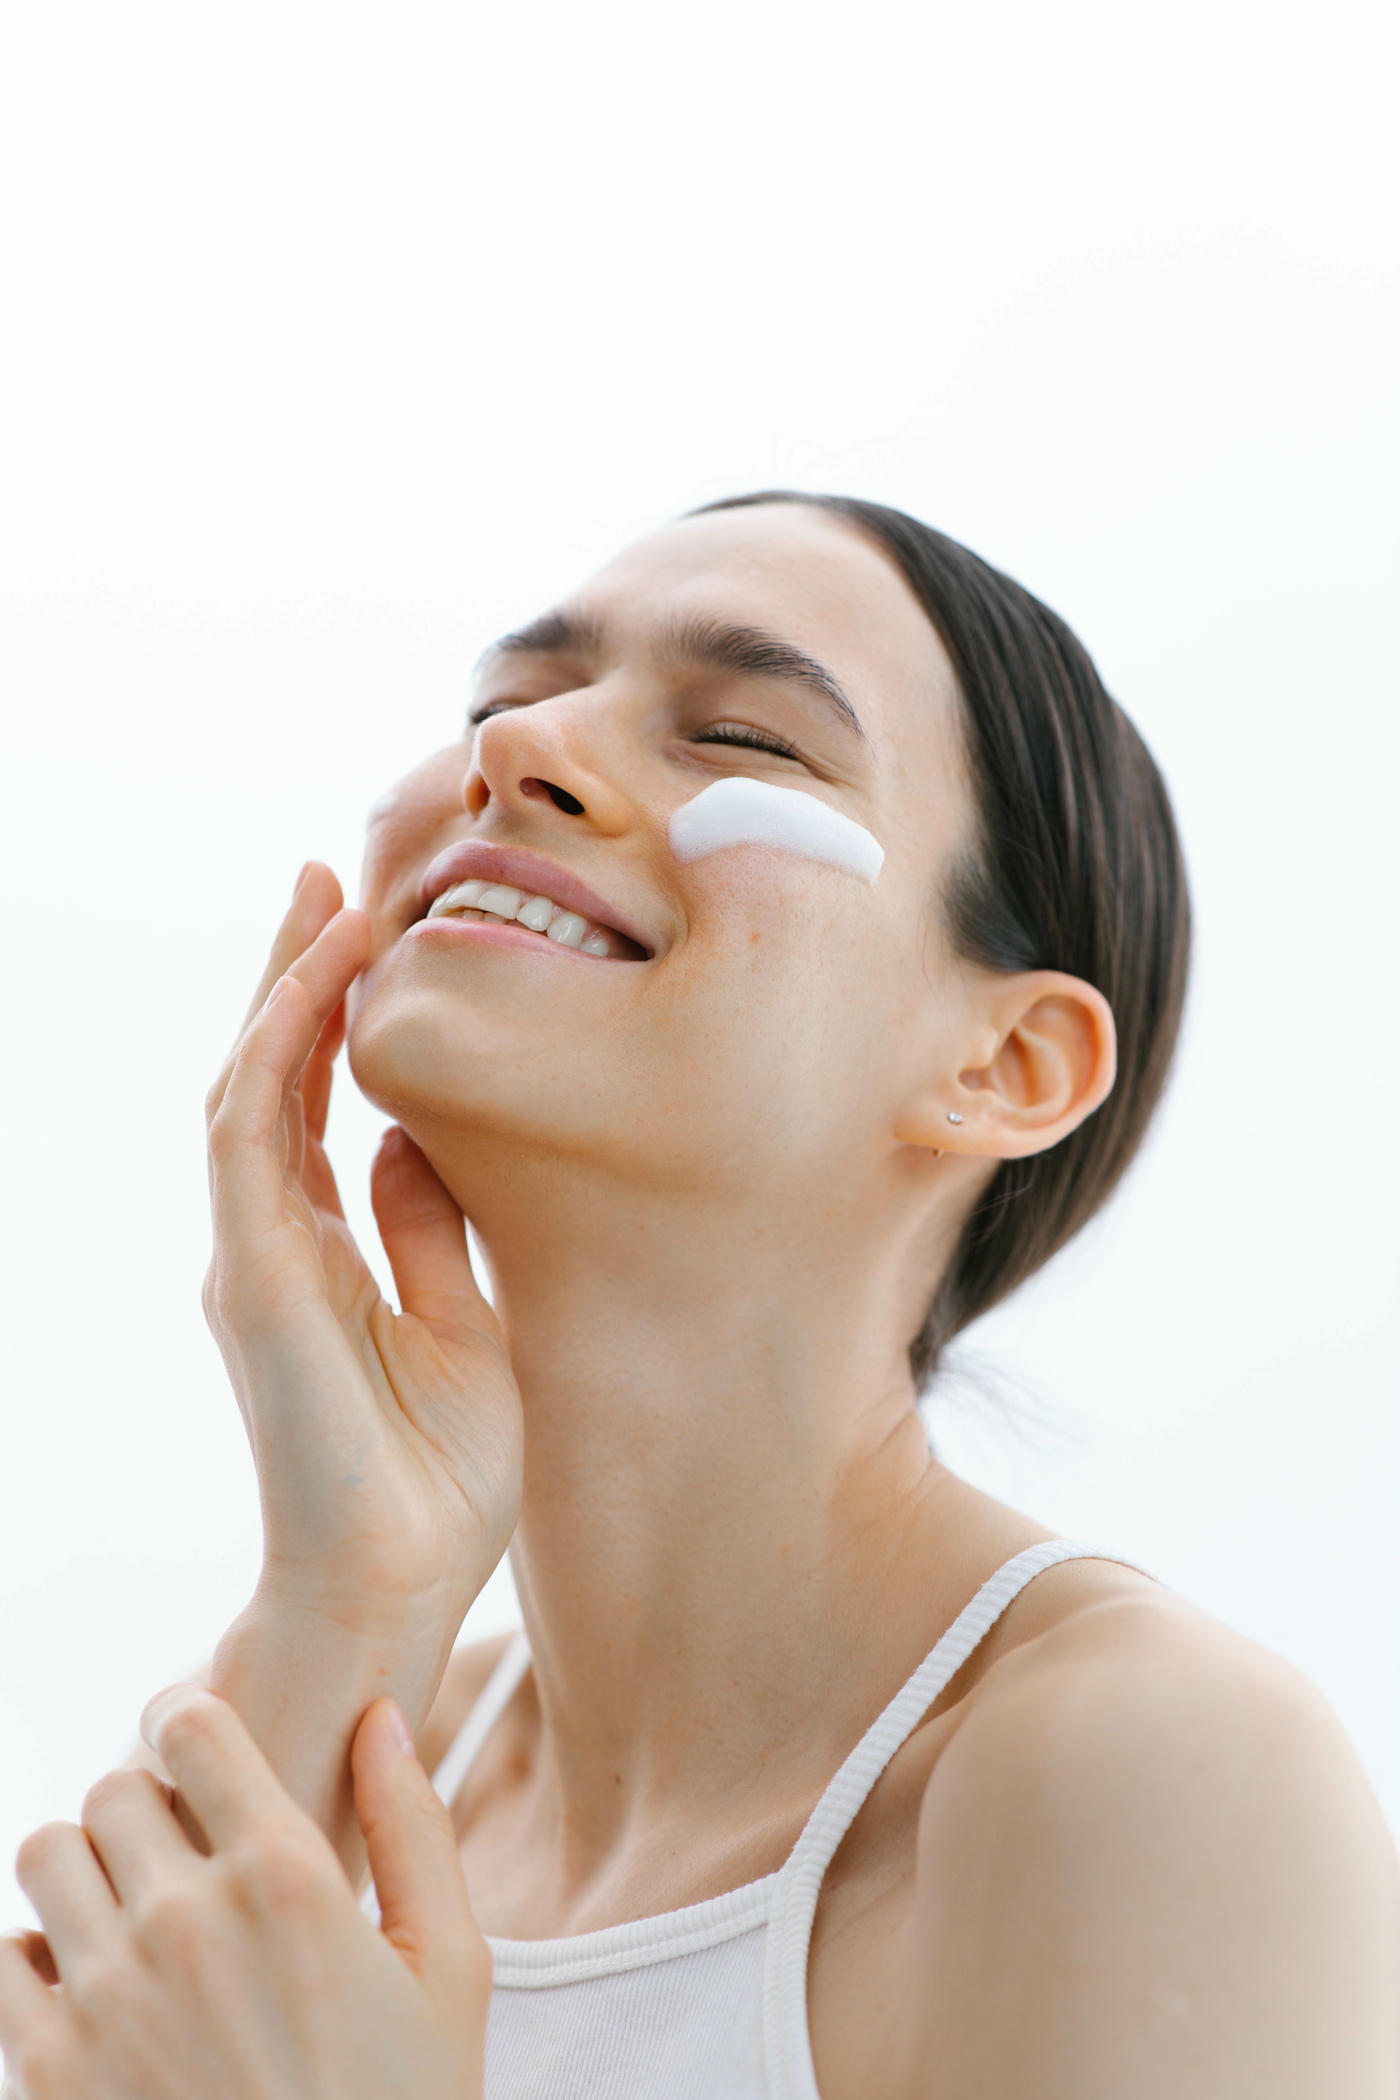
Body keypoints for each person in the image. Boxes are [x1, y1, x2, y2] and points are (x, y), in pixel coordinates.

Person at [4, 493, 1397, 2098]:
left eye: (743, 735)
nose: (518, 750)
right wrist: (344, 1588)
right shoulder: (364, 1720)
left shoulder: (1146, 1768)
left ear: (1003, 1065)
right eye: (500, 701)